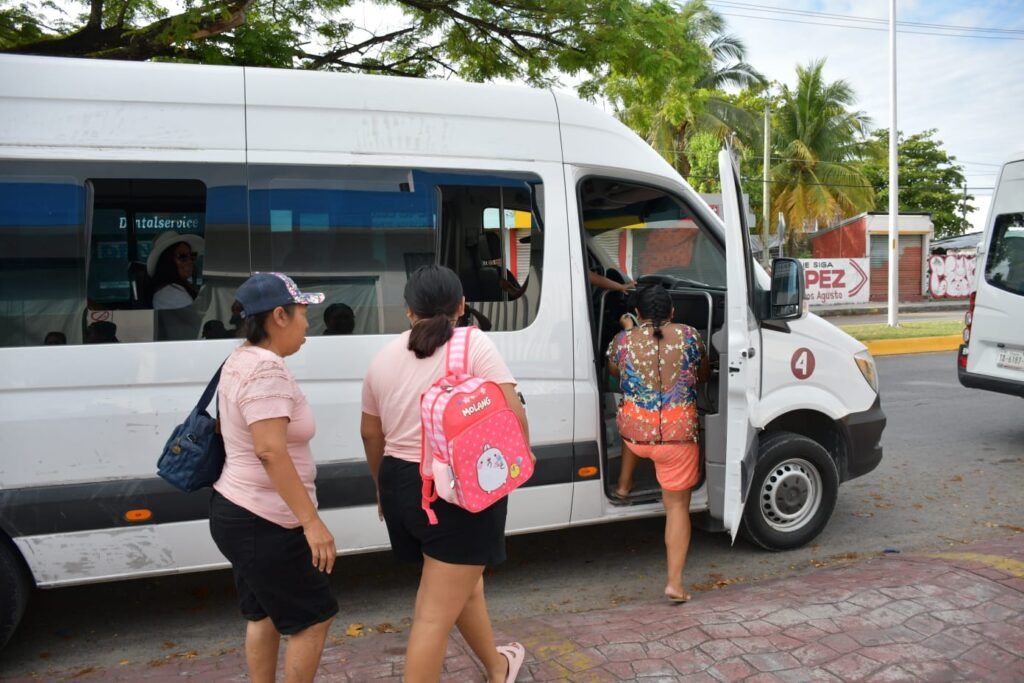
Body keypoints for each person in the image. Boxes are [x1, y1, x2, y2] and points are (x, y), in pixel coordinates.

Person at [360, 265, 530, 682]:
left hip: (401, 487)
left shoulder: (383, 357)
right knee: (433, 617)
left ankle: (496, 666)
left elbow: (369, 432)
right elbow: (513, 415)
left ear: (408, 311)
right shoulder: (472, 344)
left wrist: (382, 492)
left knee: (462, 585)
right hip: (453, 491)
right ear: (461, 306)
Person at [208, 273, 338, 683]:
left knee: (263, 614)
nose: (307, 325)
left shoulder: (240, 358)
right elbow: (269, 450)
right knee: (314, 618)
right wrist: (311, 523)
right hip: (264, 519)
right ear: (279, 316)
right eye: (302, 314)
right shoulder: (266, 370)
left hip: (238, 508)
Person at [606, 284, 707, 603]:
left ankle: (623, 485)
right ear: (672, 311)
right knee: (676, 507)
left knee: (632, 417)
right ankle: (674, 584)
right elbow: (702, 373)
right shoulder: (690, 335)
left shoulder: (623, 340)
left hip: (635, 434)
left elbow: (614, 371)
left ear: (637, 313)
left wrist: (630, 332)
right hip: (677, 437)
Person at [148, 230, 204, 310]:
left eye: (192, 255)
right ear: (167, 262)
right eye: (182, 256)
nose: (190, 261)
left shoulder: (178, 287)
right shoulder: (169, 294)